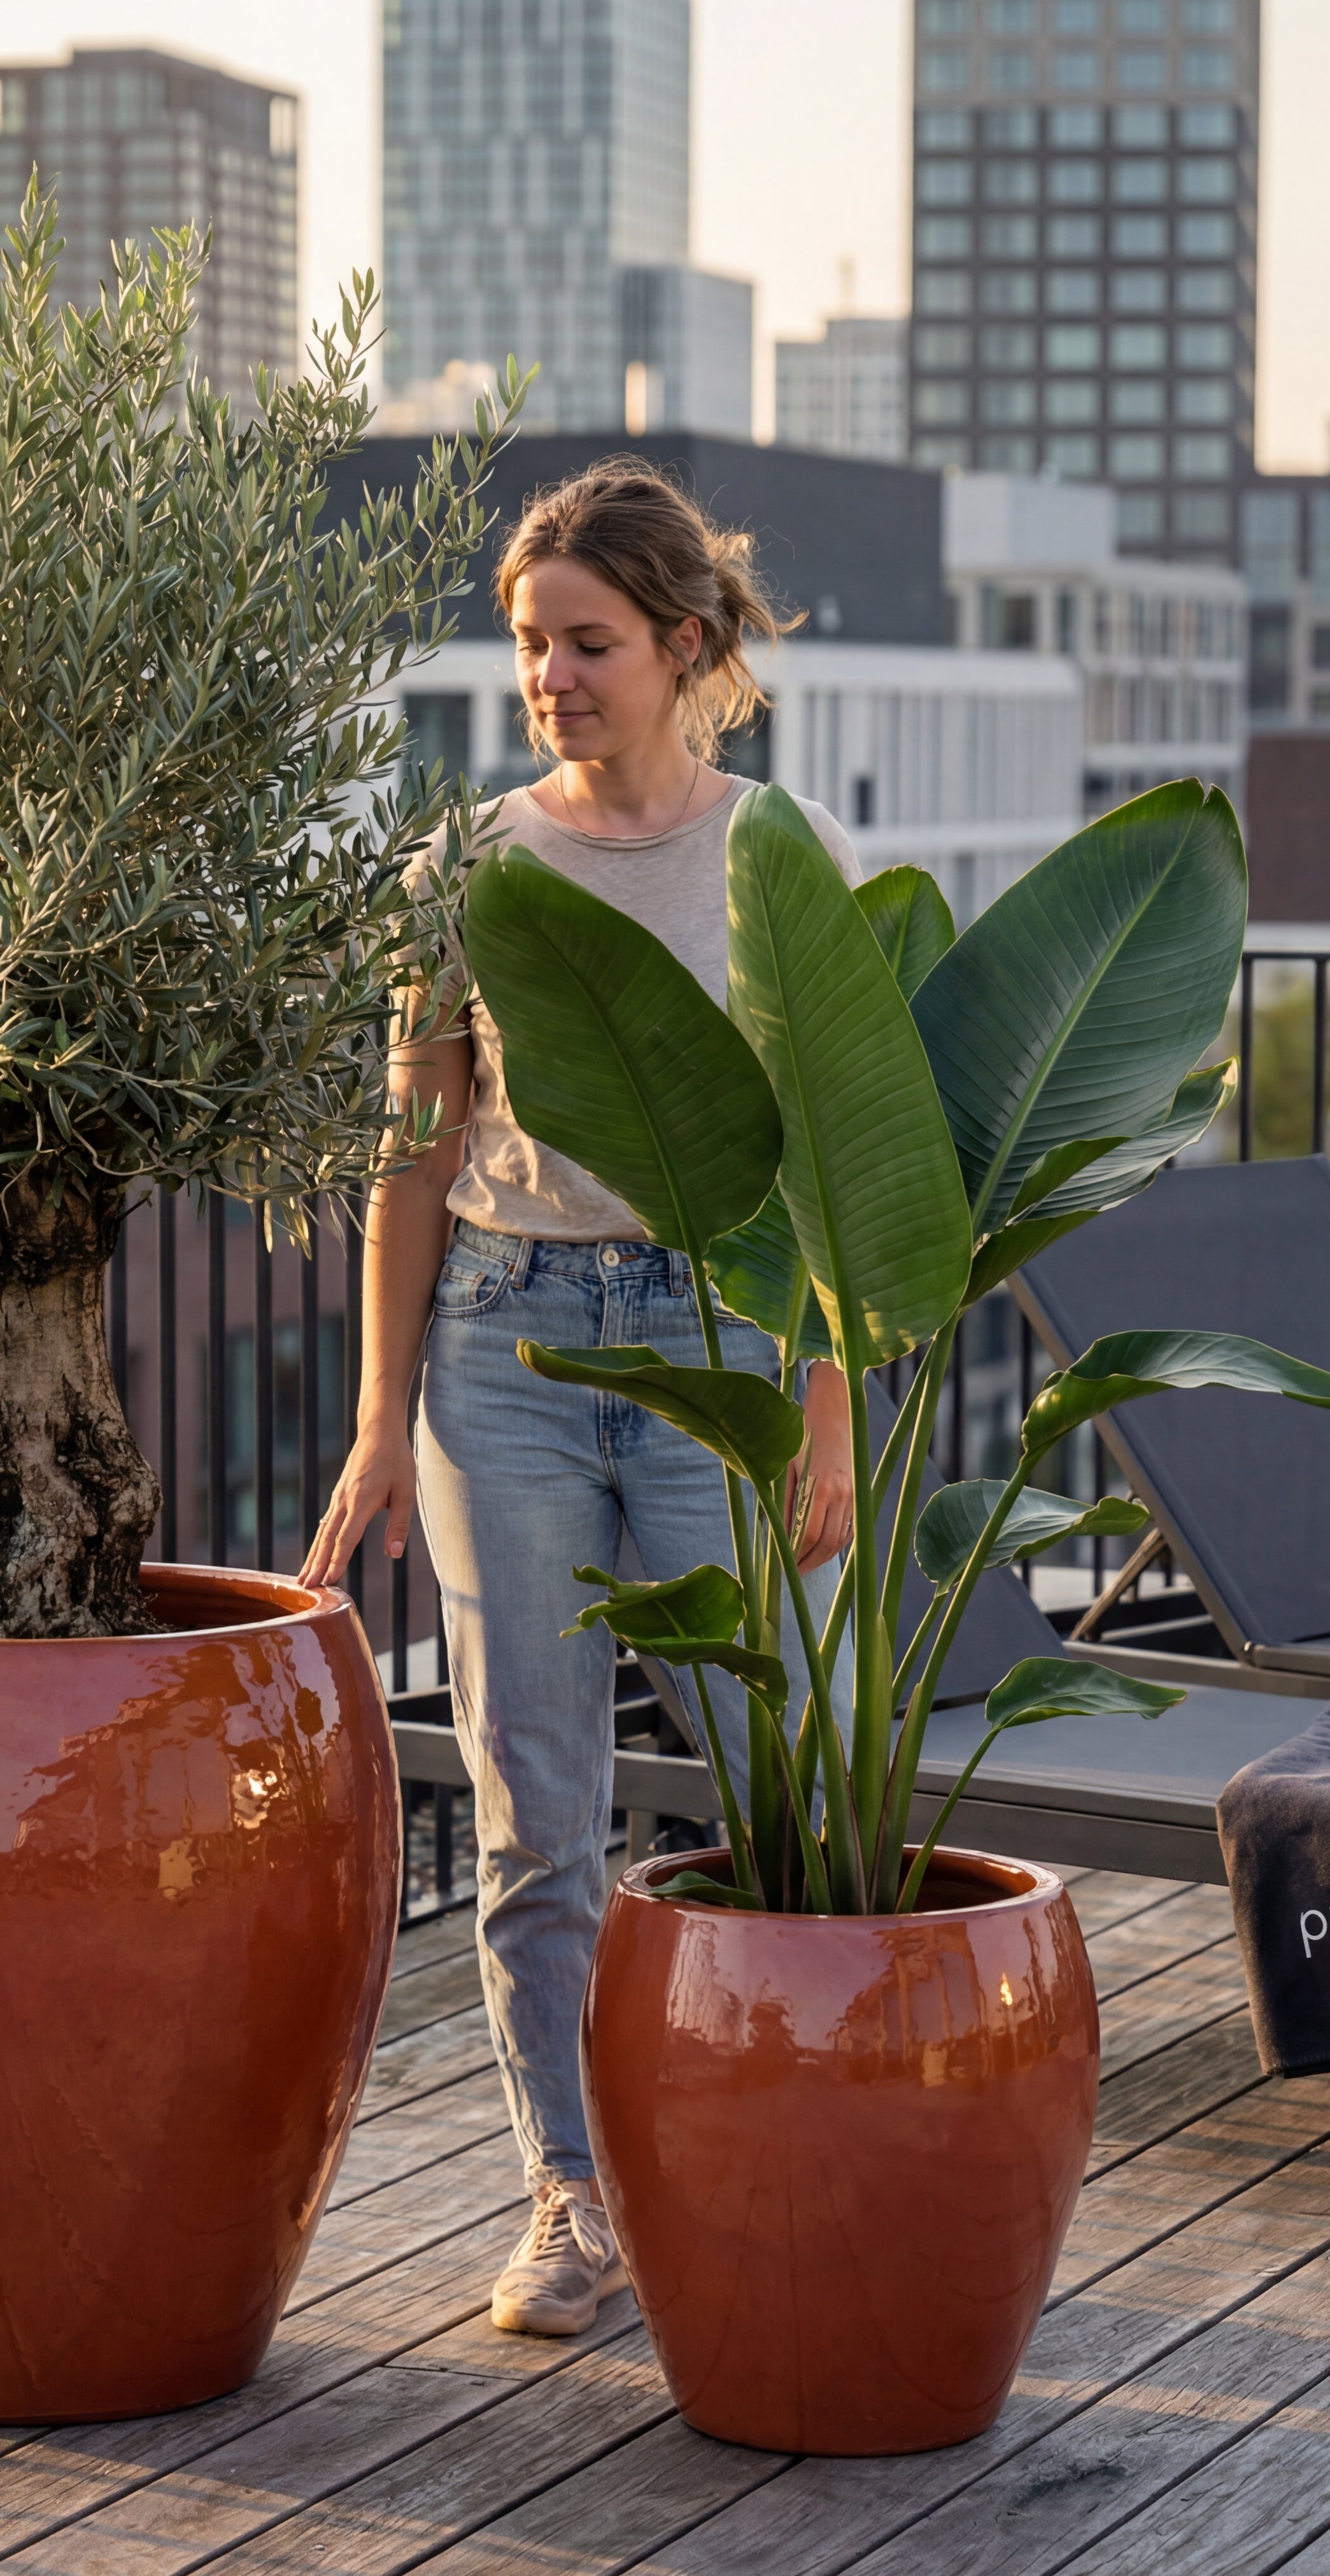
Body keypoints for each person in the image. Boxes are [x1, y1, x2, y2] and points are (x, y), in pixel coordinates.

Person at [301, 460, 863, 2338]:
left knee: (769, 1778)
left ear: (683, 646)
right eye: (531, 644)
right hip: (506, 1349)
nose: (551, 676)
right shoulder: (468, 869)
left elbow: (843, 1164)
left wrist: (831, 1416)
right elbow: (410, 1153)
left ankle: (788, 2162)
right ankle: (569, 2198)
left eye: (588, 643)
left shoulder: (783, 855)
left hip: (717, 1349)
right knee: (538, 1810)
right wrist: (382, 1418)